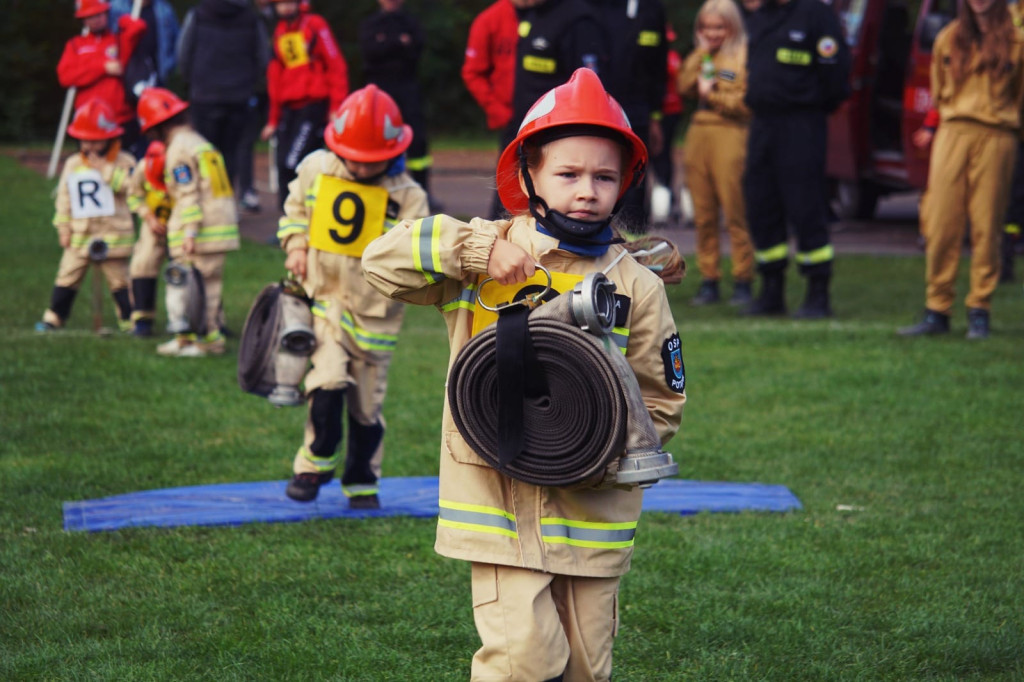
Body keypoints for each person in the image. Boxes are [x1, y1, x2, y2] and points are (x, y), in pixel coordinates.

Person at [362, 68, 686, 681]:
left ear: (625, 185)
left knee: (587, 671)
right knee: (523, 665)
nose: (586, 190)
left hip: (593, 519)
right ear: (528, 176)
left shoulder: (636, 284)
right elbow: (379, 261)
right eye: (567, 174)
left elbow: (661, 400)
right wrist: (478, 252)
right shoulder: (484, 253)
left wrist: (595, 449)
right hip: (497, 512)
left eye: (604, 176)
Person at [276, 85, 429, 506]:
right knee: (325, 381)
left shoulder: (409, 197)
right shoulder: (315, 169)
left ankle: (362, 481)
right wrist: (295, 246)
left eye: (370, 162)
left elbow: (419, 256)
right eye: (353, 160)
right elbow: (293, 213)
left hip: (375, 316)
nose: (360, 170)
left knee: (365, 406)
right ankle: (314, 462)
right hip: (324, 302)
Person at [898, 0, 1024, 339]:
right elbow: (939, 93)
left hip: (997, 135)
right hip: (953, 133)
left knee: (987, 227)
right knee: (940, 223)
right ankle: (937, 309)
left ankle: (979, 308)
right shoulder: (948, 38)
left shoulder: (1017, 42)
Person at [742, 0, 851, 318]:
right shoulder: (761, 16)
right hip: (762, 123)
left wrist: (810, 107)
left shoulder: (816, 15)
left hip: (802, 124)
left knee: (806, 206)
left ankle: (818, 293)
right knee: (761, 204)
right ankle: (771, 290)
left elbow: (836, 75)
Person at [137, 87, 240, 357]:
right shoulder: (200, 142)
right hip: (220, 225)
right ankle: (191, 338)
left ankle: (204, 340)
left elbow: (188, 193)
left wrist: (190, 232)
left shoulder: (178, 150)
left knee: (195, 285)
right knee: (204, 284)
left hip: (201, 230)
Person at [678, 0, 755, 306]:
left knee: (735, 211)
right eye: (706, 27)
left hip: (731, 133)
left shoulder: (744, 56)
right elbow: (683, 85)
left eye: (719, 27)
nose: (712, 33)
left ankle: (743, 278)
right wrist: (700, 54)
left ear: (733, 27)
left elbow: (747, 103)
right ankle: (709, 278)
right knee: (703, 213)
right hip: (699, 132)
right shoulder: (701, 55)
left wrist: (715, 95)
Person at [36, 100, 136, 333]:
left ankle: (129, 319)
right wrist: (63, 227)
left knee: (120, 280)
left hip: (114, 234)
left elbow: (134, 189)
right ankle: (55, 317)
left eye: (95, 139)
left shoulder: (125, 161)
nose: (89, 145)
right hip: (80, 234)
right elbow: (64, 198)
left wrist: (107, 172)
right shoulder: (73, 164)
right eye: (84, 139)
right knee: (68, 275)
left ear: (110, 136)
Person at [586, 0, 668, 233]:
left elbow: (658, 69)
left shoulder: (651, 9)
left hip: (637, 115)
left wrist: (655, 117)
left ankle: (634, 251)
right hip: (593, 113)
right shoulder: (585, 8)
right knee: (593, 179)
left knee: (634, 185)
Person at [260, 0, 349, 210]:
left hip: (313, 107)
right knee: (283, 165)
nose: (286, 7)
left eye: (290, 2)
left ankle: (309, 216)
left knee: (295, 163)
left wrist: (337, 107)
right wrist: (273, 119)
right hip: (288, 110)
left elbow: (336, 65)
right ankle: (286, 223)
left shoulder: (315, 25)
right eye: (281, 3)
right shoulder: (280, 31)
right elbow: (275, 78)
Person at [177, 0, 270, 200]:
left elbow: (184, 53)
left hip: (204, 96)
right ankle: (226, 200)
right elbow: (263, 56)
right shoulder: (251, 18)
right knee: (232, 152)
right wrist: (251, 84)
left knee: (204, 152)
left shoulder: (199, 14)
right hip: (239, 95)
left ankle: (206, 200)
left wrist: (193, 83)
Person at [359, 0, 434, 201]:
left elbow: (416, 51)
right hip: (379, 90)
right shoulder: (370, 24)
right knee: (378, 137)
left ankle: (422, 193)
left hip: (408, 87)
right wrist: (398, 43)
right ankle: (379, 190)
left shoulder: (411, 22)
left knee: (417, 141)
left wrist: (385, 44)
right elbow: (369, 53)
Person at [461, 0, 523, 219]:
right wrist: (497, 110)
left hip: (551, 117)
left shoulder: (556, 17)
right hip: (512, 118)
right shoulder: (489, 20)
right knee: (506, 185)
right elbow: (473, 72)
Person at [58, 0, 147, 153]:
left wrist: (119, 18)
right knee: (89, 167)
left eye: (99, 14)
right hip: (87, 121)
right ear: (83, 20)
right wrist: (102, 68)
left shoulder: (119, 40)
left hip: (119, 119)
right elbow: (65, 76)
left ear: (106, 14)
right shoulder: (76, 45)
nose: (96, 20)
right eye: (90, 16)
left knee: (121, 167)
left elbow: (138, 27)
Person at [110, 0, 180, 158]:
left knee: (153, 126)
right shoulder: (118, 7)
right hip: (125, 78)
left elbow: (177, 40)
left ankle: (152, 162)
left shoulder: (163, 10)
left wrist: (168, 66)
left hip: (155, 78)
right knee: (128, 125)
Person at [125, 140, 172, 336]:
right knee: (143, 264)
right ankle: (143, 319)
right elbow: (134, 195)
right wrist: (149, 217)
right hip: (153, 225)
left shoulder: (181, 165)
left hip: (180, 224)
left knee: (189, 269)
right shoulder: (143, 167)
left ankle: (201, 319)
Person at [648, 24, 684, 222]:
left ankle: (666, 203)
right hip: (657, 111)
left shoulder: (671, 58)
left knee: (663, 156)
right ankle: (660, 202)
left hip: (671, 111)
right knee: (655, 157)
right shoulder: (662, 58)